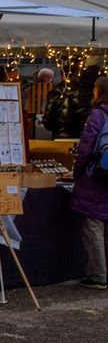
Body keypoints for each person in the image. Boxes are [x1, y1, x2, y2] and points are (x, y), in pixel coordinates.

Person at [71, 75, 108, 289]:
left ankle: (98, 275)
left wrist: (78, 171)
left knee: (93, 226)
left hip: (97, 176)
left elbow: (86, 147)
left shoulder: (97, 115)